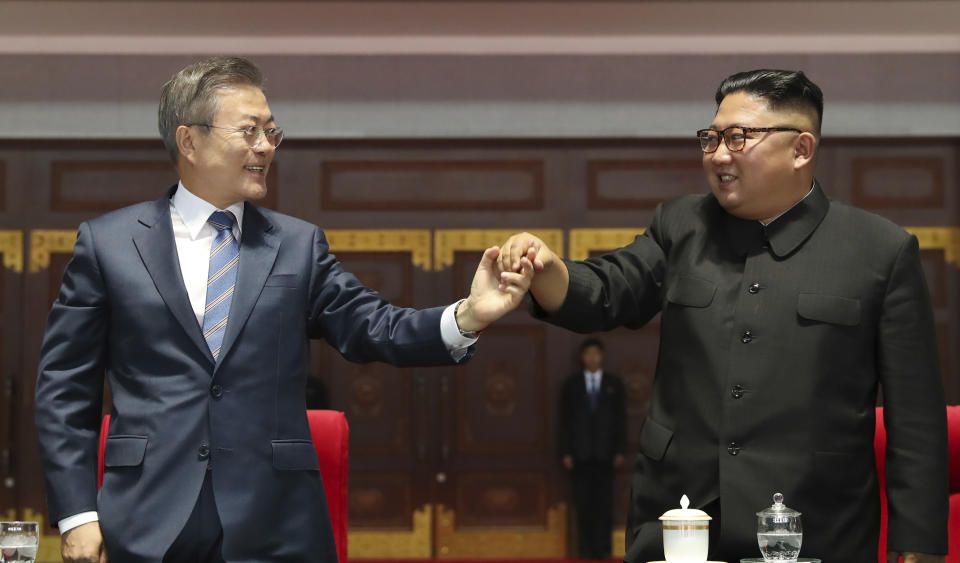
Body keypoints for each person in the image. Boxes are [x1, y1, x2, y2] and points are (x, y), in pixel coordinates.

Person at [34, 56, 533, 563]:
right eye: (249, 130)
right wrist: (77, 514)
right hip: (145, 521)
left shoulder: (297, 246)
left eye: (271, 132)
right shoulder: (109, 244)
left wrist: (469, 315)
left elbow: (375, 327)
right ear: (189, 141)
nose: (265, 147)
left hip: (276, 525)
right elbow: (64, 390)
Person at [499, 69, 947, 562]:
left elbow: (916, 420)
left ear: (801, 149)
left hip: (815, 523)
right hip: (680, 520)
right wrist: (545, 269)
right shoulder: (680, 225)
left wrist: (918, 545)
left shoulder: (879, 250)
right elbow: (609, 288)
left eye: (738, 138)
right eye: (711, 138)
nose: (717, 154)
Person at [559, 338, 625, 560]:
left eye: (596, 354)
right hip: (580, 455)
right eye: (588, 354)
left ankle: (604, 549)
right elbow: (564, 421)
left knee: (604, 505)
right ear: (582, 357)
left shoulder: (614, 384)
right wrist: (566, 452)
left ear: (602, 356)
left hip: (606, 455)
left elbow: (620, 420)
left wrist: (620, 451)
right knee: (584, 504)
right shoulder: (572, 384)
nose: (592, 358)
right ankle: (585, 549)